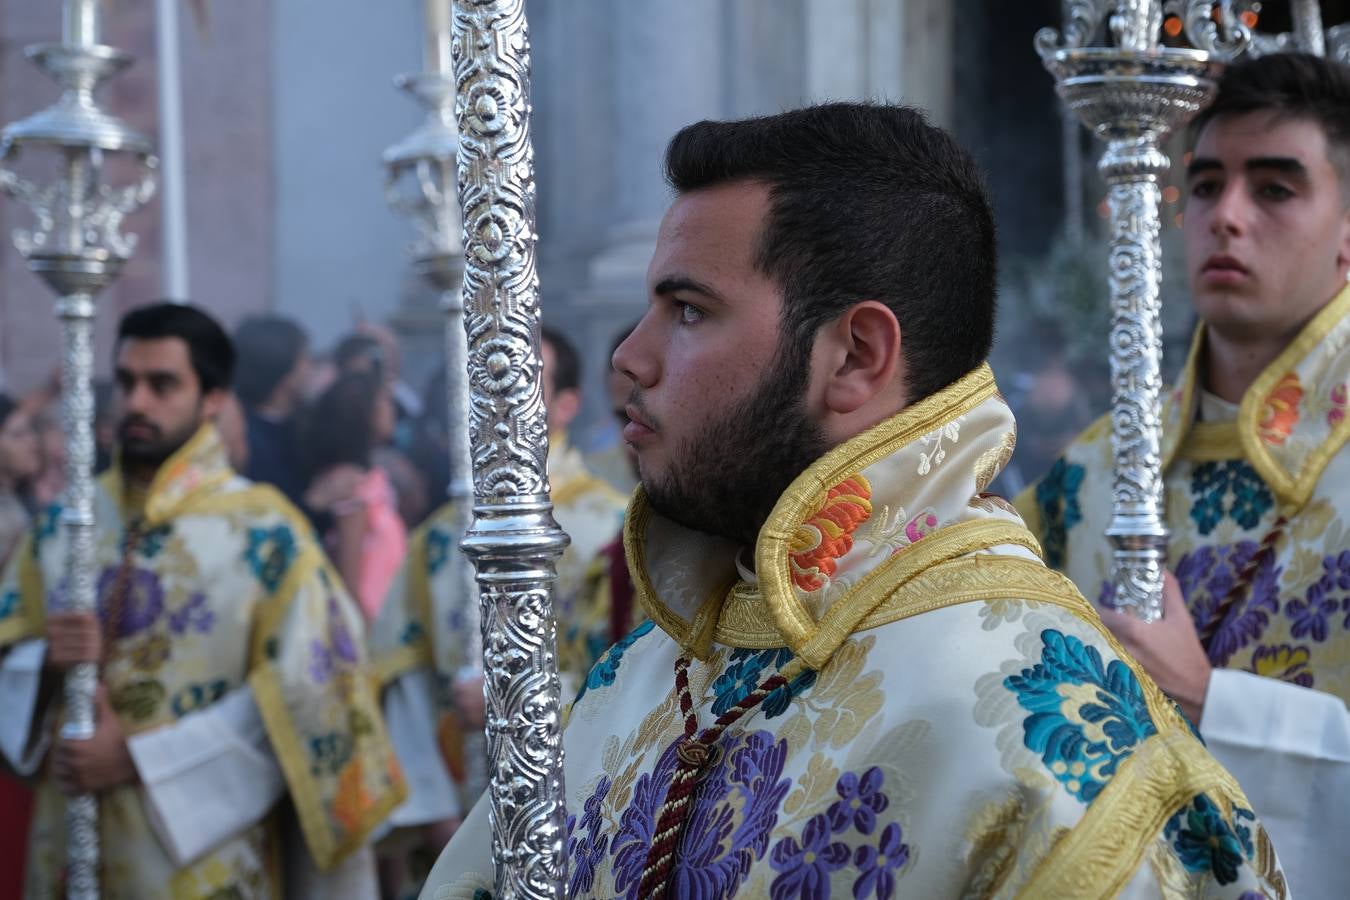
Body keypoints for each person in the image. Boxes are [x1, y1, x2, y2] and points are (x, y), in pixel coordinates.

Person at [421, 104, 1284, 899]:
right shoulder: (647, 671)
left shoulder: (1043, 747)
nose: (628, 360)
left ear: (856, 356)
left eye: (687, 311)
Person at [1015, 53, 1350, 900]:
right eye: (1204, 187)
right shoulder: (1089, 474)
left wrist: (1212, 703)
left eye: (1275, 189)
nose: (1226, 217)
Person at [0, 303, 404, 899]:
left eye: (163, 385)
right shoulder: (65, 524)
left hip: (206, 859)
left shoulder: (265, 534)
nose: (137, 402)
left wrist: (141, 759)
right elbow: (11, 653)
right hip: (72, 842)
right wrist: (44, 664)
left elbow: (315, 697)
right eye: (129, 381)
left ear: (213, 398)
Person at [304, 371, 408, 623]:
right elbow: (347, 582)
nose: (391, 407)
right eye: (383, 400)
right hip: (370, 631)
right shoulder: (351, 484)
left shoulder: (369, 477)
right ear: (365, 413)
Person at [233, 315, 311, 508]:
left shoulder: (303, 423)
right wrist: (313, 503)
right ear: (287, 374)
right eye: (305, 358)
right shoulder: (247, 440)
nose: (311, 367)